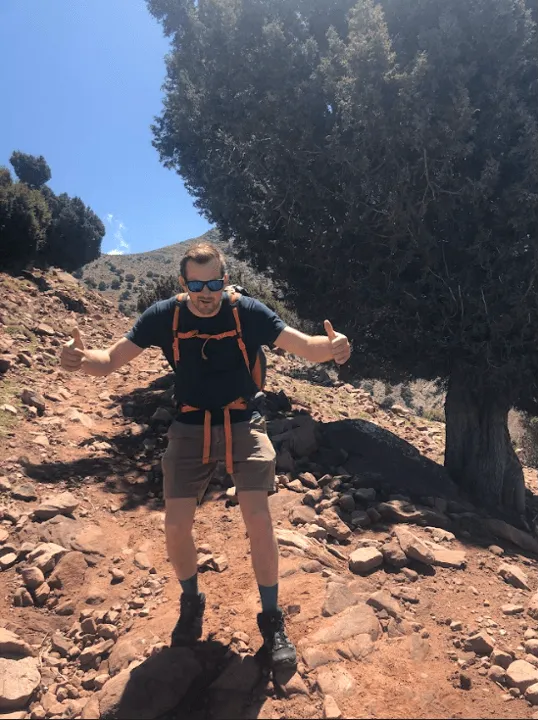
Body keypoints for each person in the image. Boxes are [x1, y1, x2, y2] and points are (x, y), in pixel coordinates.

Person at [60, 242, 351, 674]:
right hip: (190, 424)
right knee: (175, 524)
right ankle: (191, 599)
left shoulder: (245, 311)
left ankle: (272, 620)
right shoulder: (164, 316)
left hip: (243, 420)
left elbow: (305, 346)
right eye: (197, 284)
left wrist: (334, 347)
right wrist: (81, 360)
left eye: (214, 282)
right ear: (184, 283)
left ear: (225, 280)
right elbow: (109, 361)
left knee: (258, 519)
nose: (206, 292)